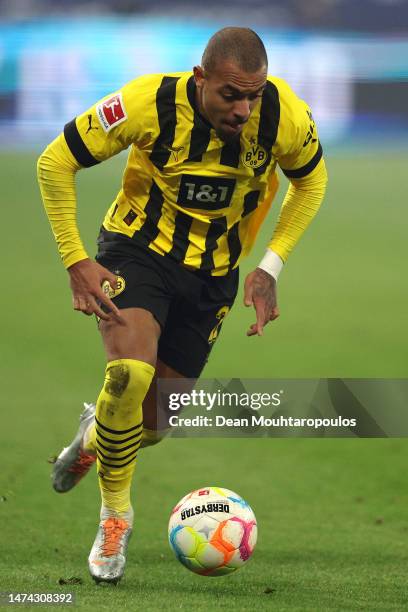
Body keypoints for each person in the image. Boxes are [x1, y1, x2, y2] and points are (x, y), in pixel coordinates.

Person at [37, 26, 327, 584]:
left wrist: (270, 267)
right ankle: (115, 519)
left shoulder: (284, 114)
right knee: (128, 373)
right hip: (137, 252)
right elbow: (55, 161)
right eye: (230, 94)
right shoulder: (148, 102)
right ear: (201, 79)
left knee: (150, 424)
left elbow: (311, 182)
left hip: (215, 274)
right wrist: (76, 259)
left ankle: (94, 434)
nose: (244, 109)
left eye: (253, 95)